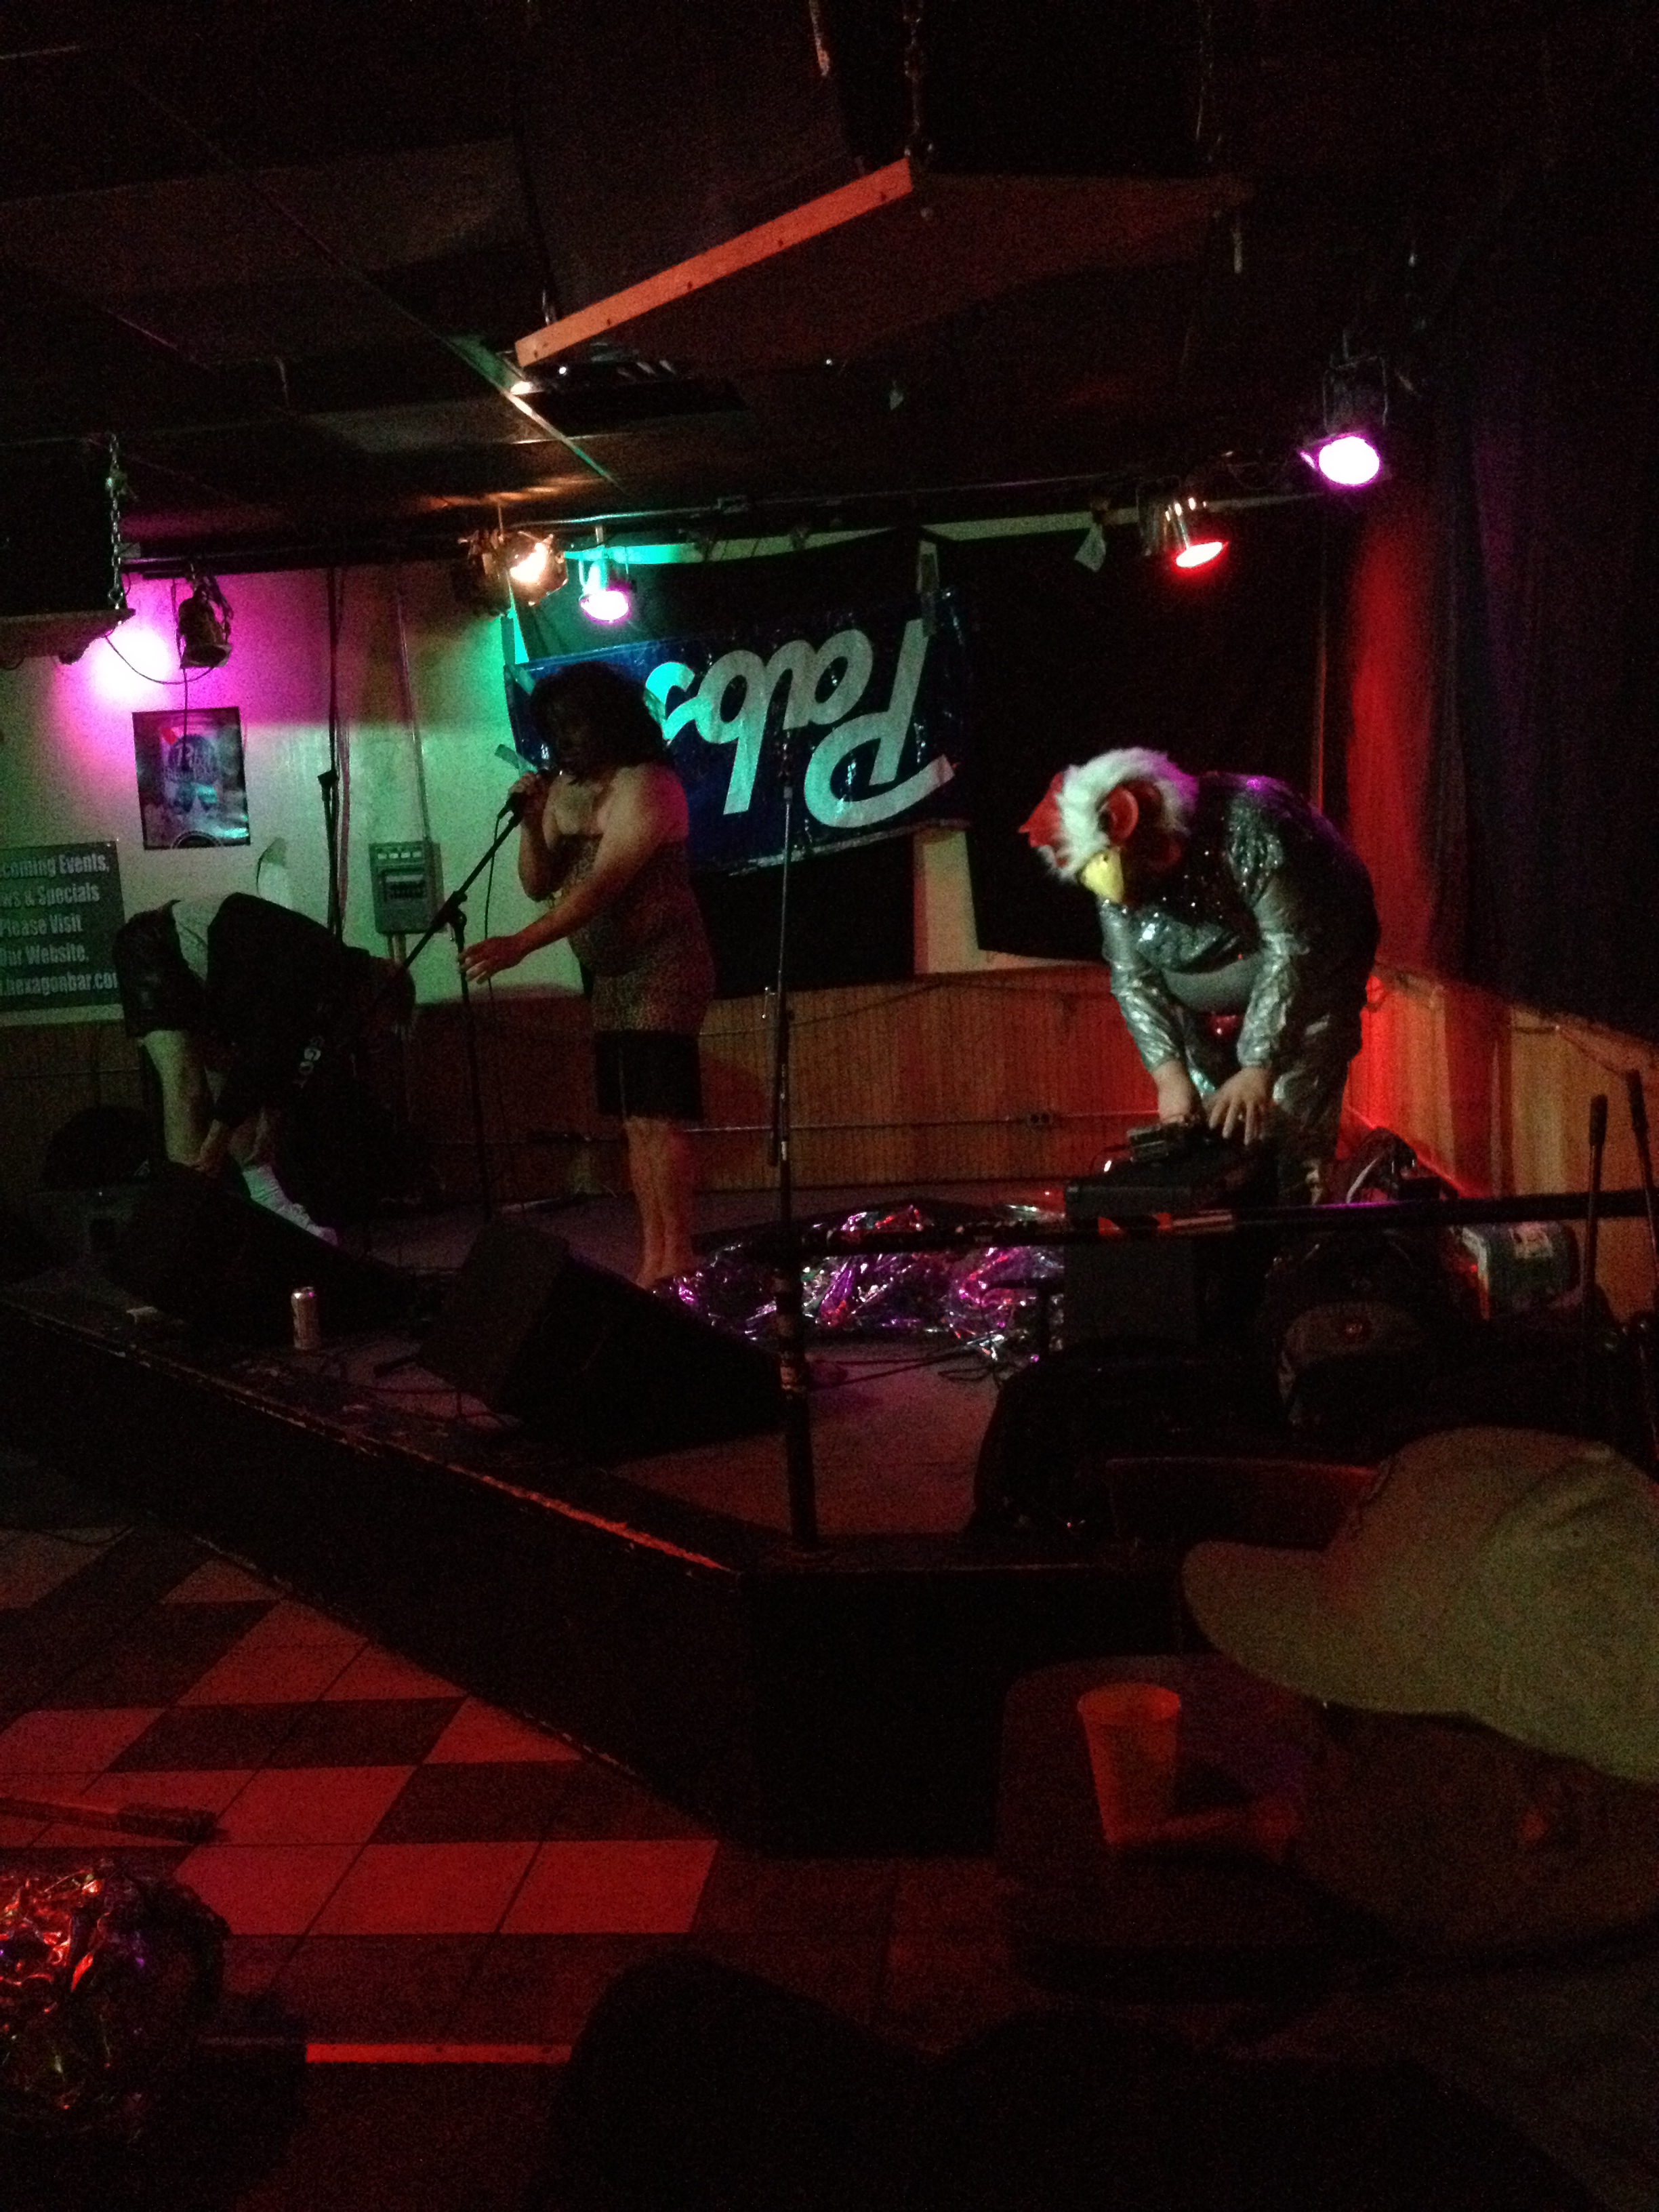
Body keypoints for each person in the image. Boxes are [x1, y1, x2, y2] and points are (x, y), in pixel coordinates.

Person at [535, 1425, 1659, 2211]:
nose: (1288, 1718)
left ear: (1547, 1807)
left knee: (665, 2038)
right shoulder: (1584, 1916)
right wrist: (1317, 1829)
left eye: (1343, 1713)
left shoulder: (1329, 2156)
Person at [1021, 748, 1380, 1200]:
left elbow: (1291, 948)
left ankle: (1300, 1212)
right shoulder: (1106, 869)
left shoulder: (1250, 824)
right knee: (1212, 1132)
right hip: (1205, 994)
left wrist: (1259, 1066)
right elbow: (1134, 979)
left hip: (1315, 963)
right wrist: (1168, 1076)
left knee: (1288, 1122)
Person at [461, 663, 716, 1288]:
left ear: (611, 722)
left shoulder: (648, 784)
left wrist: (521, 945)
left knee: (658, 1118)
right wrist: (531, 822)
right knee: (634, 1123)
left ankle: (679, 1256)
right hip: (610, 977)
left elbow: (603, 887)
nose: (565, 739)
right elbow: (537, 883)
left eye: (577, 724)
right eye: (556, 728)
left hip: (663, 965)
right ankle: (655, 1258)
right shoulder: (564, 791)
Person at [112, 891, 411, 1239]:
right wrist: (215, 1142)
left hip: (212, 975)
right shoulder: (317, 970)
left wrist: (271, 1117)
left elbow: (292, 1061)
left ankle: (269, 1201)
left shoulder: (333, 993)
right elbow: (264, 1050)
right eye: (381, 1028)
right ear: (376, 998)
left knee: (233, 1088)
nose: (374, 1038)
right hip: (156, 947)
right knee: (186, 1085)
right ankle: (185, 1221)